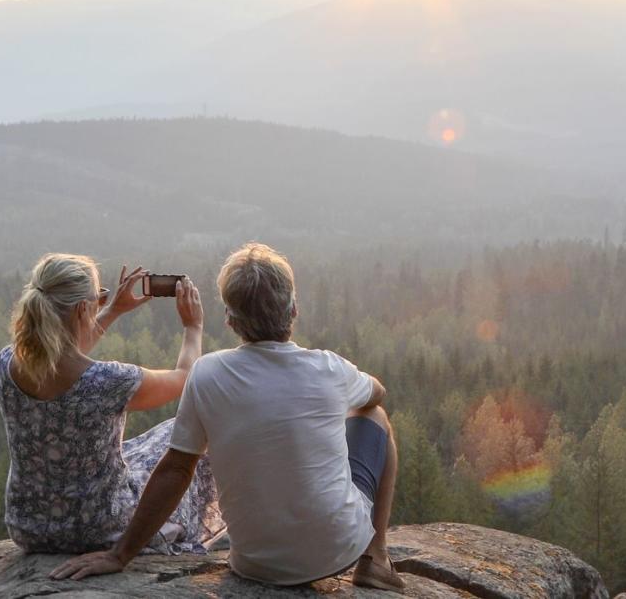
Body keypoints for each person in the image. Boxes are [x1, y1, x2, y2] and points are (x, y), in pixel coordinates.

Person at [51, 243, 405, 592]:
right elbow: (376, 394)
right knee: (375, 416)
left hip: (255, 564)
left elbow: (176, 470)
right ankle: (375, 558)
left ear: (230, 320)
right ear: (293, 309)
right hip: (338, 552)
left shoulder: (208, 373)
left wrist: (120, 555)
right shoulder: (329, 368)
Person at [0, 253, 224, 554]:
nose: (101, 301)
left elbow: (59, 352)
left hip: (29, 526)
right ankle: (181, 531)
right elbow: (184, 378)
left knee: (135, 451)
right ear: (82, 309)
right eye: (98, 298)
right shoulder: (108, 381)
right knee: (183, 434)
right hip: (99, 527)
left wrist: (113, 309)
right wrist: (193, 327)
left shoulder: (7, 363)